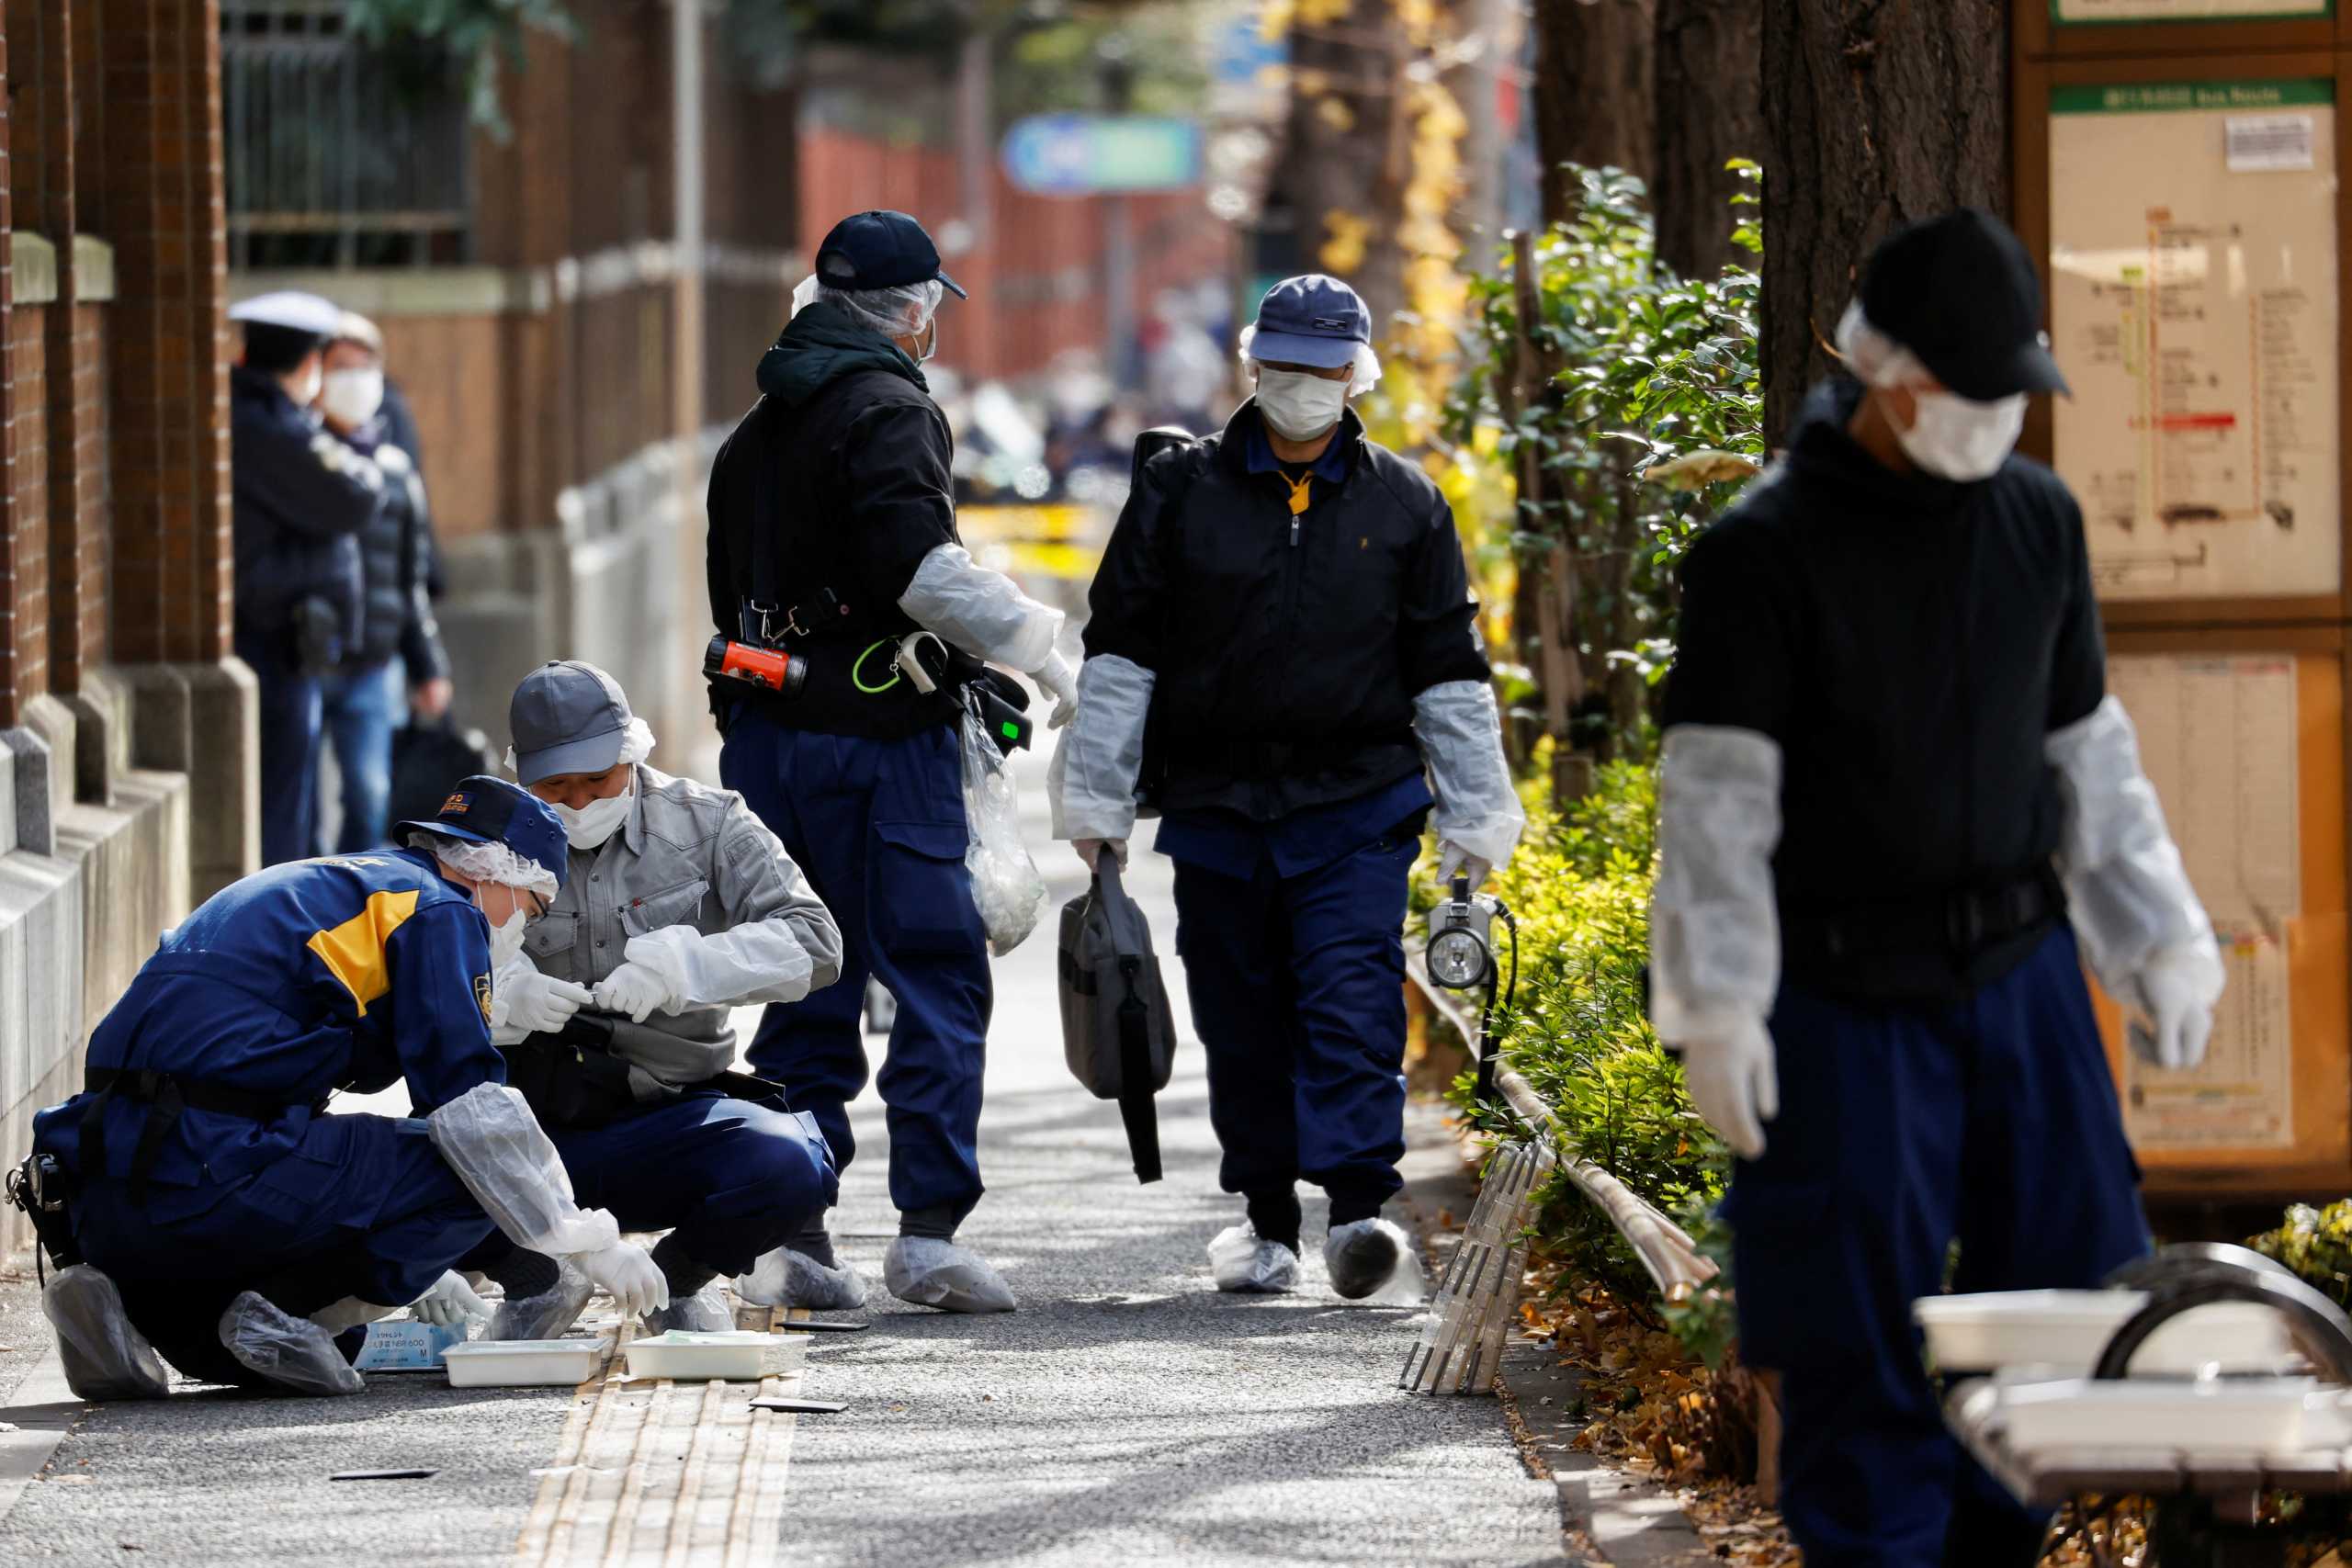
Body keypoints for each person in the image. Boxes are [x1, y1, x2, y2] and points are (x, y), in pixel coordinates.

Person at [1648, 209, 2224, 1567]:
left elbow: (2088, 753)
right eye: (1971, 396)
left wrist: (2157, 936)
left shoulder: (2036, 519)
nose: (1996, 422)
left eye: (2011, 394)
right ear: (1891, 378)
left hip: (2018, 968)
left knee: (2073, 1287)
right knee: (1854, 1322)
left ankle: (1993, 1546)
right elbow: (1718, 807)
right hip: (1841, 988)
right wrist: (1717, 1004)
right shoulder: (1762, 551)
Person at [1050, 274, 1523, 1300]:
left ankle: (1358, 1210)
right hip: (1218, 804)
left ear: (1356, 375)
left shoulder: (1405, 503)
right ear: (1252, 365)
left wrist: (1477, 812)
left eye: (1320, 370)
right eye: (1282, 367)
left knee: (1349, 999)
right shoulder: (1179, 493)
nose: (1300, 386)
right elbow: (1121, 650)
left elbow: (1448, 665)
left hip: (1359, 804)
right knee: (1240, 1014)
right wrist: (1095, 806)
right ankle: (1266, 1219)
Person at [706, 209, 1079, 1314]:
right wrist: (1046, 651)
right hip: (884, 746)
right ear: (913, 311)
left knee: (802, 977)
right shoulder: (890, 412)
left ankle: (798, 1232)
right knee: (933, 973)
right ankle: (927, 1236)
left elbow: (732, 597)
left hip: (770, 743)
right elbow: (925, 574)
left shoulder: (753, 433)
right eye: (929, 311)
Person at [23, 777, 668, 1399]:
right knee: (470, 1177)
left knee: (277, 1349)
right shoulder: (441, 908)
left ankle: (125, 1308)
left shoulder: (341, 888)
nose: (522, 929)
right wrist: (588, 1240)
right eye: (532, 905)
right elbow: (471, 1111)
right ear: (496, 872)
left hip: (105, 1175)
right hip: (210, 1166)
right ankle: (284, 1307)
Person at [482, 660, 849, 1334]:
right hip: (533, 1127)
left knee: (790, 1161)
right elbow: (419, 982)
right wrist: (502, 996)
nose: (581, 802)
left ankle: (677, 1279)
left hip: (669, 1122)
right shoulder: (484, 839)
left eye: (598, 780)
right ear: (518, 773)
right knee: (419, 1154)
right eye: (556, 787)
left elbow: (819, 942)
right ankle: (536, 1279)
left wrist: (689, 966)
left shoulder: (710, 824)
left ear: (633, 752)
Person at [230, 290, 389, 866]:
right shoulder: (268, 427)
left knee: (297, 808)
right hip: (271, 642)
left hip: (289, 643)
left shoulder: (270, 419)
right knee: (284, 813)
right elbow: (356, 495)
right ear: (307, 365)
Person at [313, 310, 455, 854]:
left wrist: (429, 668)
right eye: (338, 367)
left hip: (374, 664)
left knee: (369, 794)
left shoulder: (397, 471)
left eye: (361, 367)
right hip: (310, 658)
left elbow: (409, 579)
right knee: (301, 798)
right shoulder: (303, 463)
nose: (351, 380)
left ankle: (352, 894)